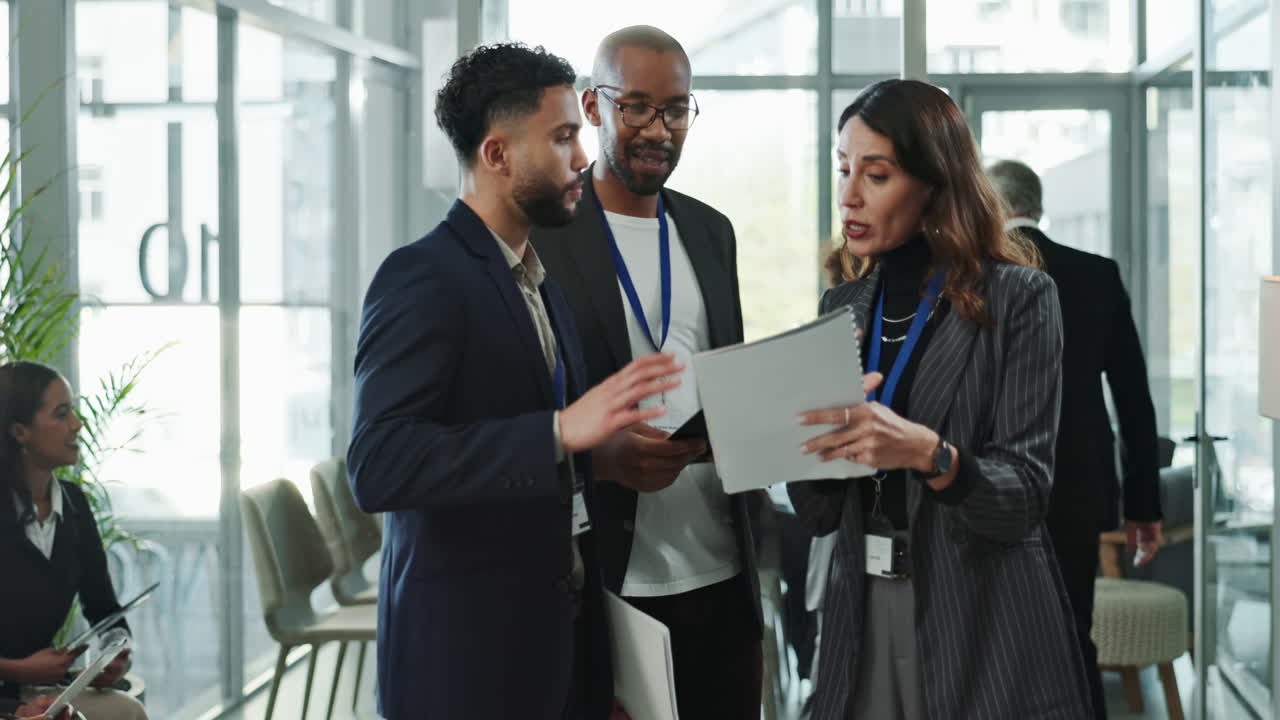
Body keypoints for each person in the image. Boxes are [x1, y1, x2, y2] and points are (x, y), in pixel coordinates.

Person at [347, 42, 682, 720]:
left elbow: (528, 452)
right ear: (497, 155)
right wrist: (558, 431)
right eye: (561, 138)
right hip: (464, 670)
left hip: (555, 653)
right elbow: (378, 465)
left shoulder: (538, 279)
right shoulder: (422, 277)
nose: (582, 158)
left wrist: (600, 457)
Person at [788, 79, 1090, 719]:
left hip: (979, 614)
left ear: (934, 184)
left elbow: (1024, 496)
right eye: (843, 169)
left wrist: (931, 455)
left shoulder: (1019, 299)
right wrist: (799, 441)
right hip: (860, 609)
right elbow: (815, 512)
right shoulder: (840, 306)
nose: (848, 195)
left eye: (875, 175)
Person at [532, 25, 762, 718]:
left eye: (675, 110)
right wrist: (598, 458)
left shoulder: (711, 231)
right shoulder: (544, 236)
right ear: (593, 106)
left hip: (722, 567)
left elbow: (723, 371)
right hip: (609, 574)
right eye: (635, 107)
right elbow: (524, 404)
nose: (657, 130)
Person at [989, 159, 1164, 719]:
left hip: (990, 483)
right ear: (1036, 206)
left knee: (994, 641)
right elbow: (1133, 398)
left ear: (992, 205)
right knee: (1071, 633)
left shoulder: (976, 274)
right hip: (1078, 485)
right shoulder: (1097, 274)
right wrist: (1143, 506)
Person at [0, 362, 147, 720]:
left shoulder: (74, 504)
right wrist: (18, 671)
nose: (77, 424)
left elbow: (105, 608)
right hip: (11, 692)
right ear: (20, 431)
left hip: (37, 691)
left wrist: (114, 654)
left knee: (127, 712)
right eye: (61, 413)